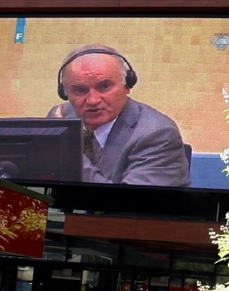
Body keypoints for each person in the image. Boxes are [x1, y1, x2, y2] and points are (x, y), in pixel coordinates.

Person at [48, 44, 191, 187]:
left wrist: (69, 152)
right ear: (65, 93)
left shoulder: (158, 134)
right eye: (80, 90)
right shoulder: (61, 118)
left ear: (128, 85)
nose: (93, 100)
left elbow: (125, 202)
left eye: (104, 87)